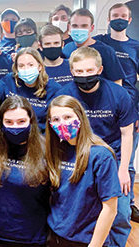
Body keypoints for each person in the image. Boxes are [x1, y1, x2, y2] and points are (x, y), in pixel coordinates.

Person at [58, 47, 137, 247]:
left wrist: (123, 169)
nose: (85, 76)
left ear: (100, 70)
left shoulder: (118, 94)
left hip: (114, 156)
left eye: (89, 71)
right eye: (79, 72)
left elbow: (127, 134)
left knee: (120, 210)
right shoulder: (65, 95)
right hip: (79, 155)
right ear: (72, 72)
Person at [45, 95, 120, 247]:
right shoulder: (55, 152)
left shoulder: (100, 155)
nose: (63, 123)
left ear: (80, 117)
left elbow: (110, 209)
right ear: (50, 123)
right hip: (56, 235)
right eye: (56, 119)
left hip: (85, 240)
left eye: (68, 117)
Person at [93, 3, 139, 222]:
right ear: (108, 19)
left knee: (126, 162)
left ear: (129, 20)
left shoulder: (136, 47)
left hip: (130, 109)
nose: (119, 19)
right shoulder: (101, 43)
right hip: (102, 108)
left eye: (123, 16)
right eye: (115, 16)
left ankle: (127, 206)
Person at [0, 95, 49, 247]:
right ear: (1, 123)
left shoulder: (45, 149)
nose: (15, 127)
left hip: (32, 237)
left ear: (31, 121)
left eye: (21, 122)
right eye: (9, 122)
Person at [2, 47, 61, 131]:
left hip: (40, 136)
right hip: (11, 132)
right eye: (21, 66)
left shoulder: (53, 89)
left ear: (39, 66)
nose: (26, 69)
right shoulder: (8, 81)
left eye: (30, 65)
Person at [62, 8, 125, 85]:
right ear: (69, 27)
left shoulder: (106, 51)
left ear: (91, 28)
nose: (79, 29)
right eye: (75, 25)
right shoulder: (67, 49)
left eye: (84, 26)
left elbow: (117, 82)